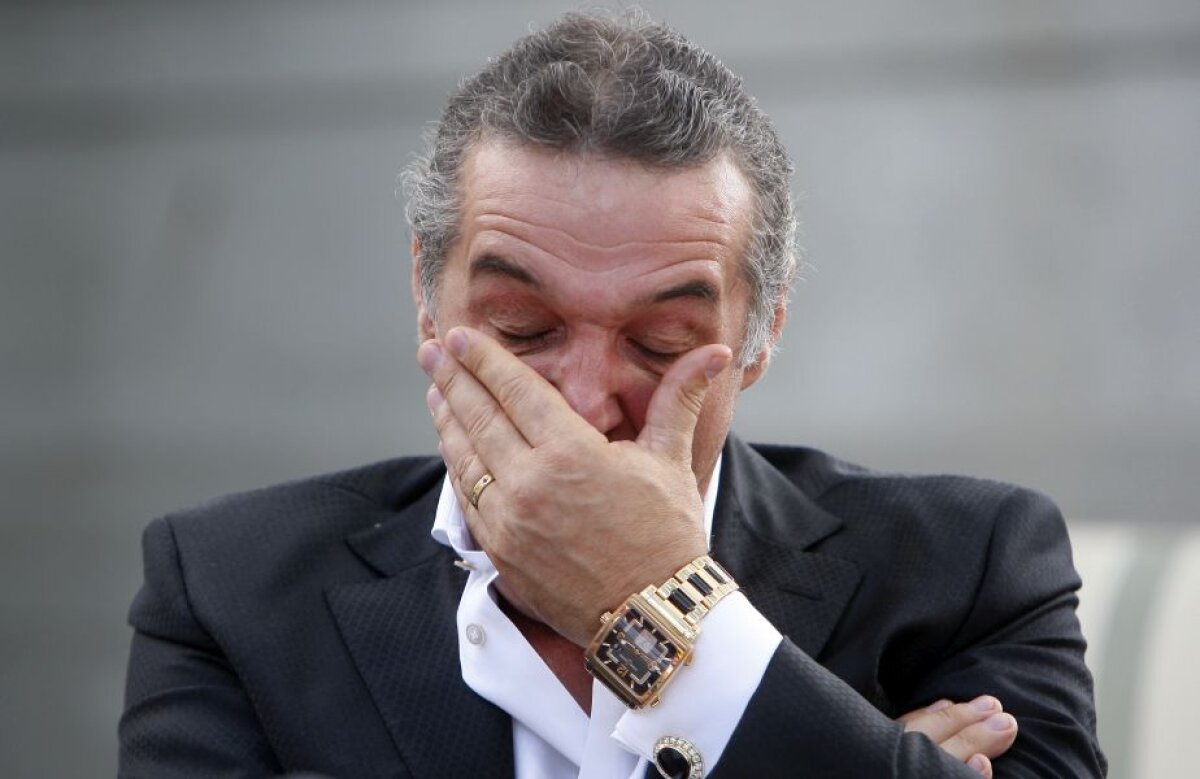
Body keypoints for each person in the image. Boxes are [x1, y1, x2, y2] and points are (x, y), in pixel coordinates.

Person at [119, 10, 1105, 778]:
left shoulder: (968, 567)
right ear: (426, 295)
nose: (586, 405)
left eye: (659, 342)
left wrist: (669, 614)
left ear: (764, 329)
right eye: (523, 329)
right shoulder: (229, 585)